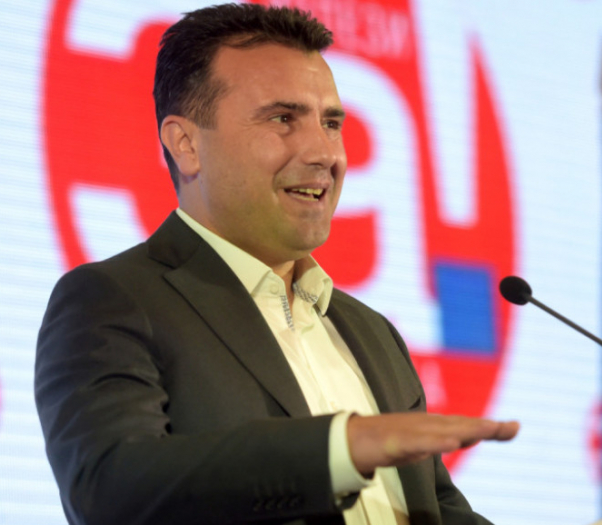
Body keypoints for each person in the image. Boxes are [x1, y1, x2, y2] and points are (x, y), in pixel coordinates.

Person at [34, 4, 519, 525]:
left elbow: (436, 510)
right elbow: (111, 491)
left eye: (331, 123)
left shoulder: (373, 332)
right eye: (283, 119)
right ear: (186, 144)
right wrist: (336, 451)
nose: (324, 152)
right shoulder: (114, 300)